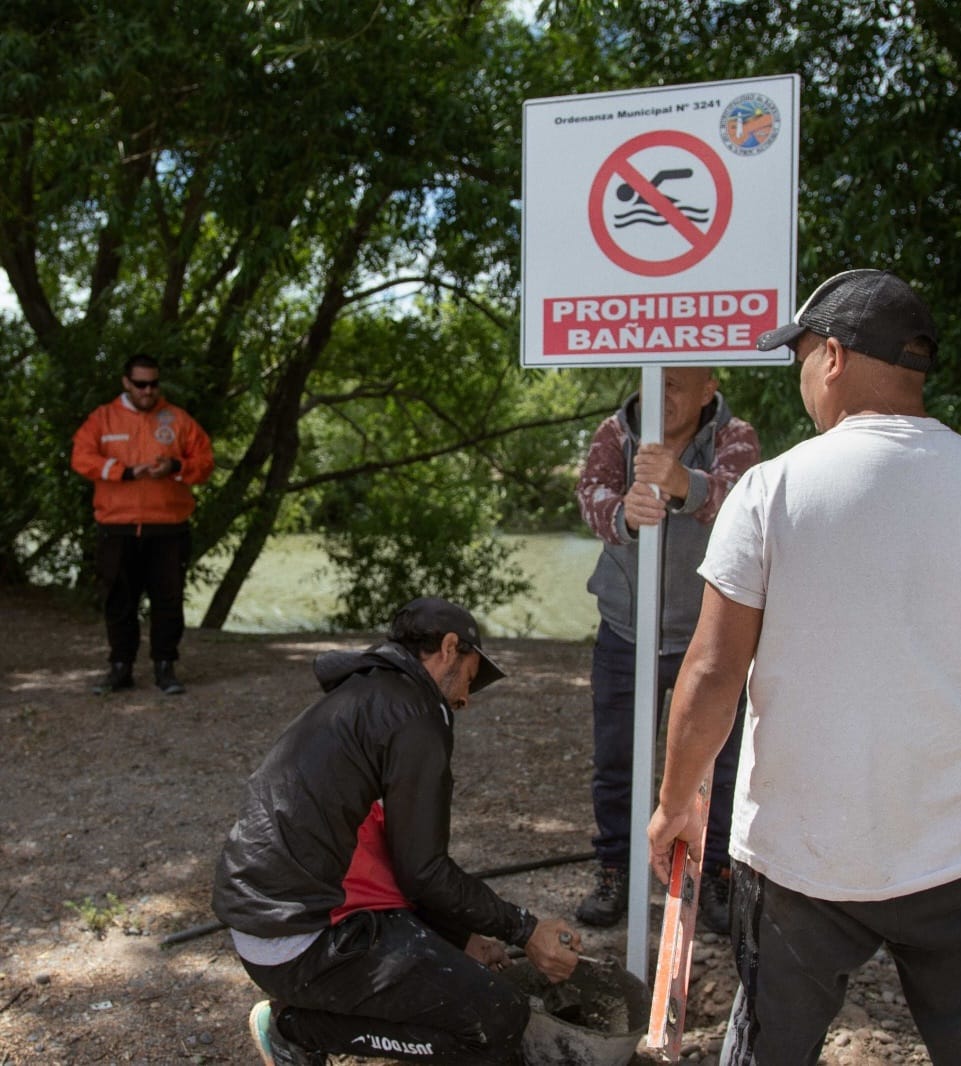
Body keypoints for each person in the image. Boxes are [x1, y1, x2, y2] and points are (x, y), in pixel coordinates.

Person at [647, 269, 961, 1065]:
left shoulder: (772, 492)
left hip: (802, 855)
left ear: (835, 356)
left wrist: (677, 802)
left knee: (771, 1049)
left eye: (803, 354)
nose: (804, 374)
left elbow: (710, 672)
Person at [212, 596, 582, 1066]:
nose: (465, 698)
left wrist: (461, 936)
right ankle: (296, 1030)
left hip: (264, 925)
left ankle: (311, 1013)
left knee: (459, 979)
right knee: (498, 1018)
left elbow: (401, 855)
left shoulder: (368, 693)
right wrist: (526, 928)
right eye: (469, 677)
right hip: (297, 943)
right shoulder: (417, 715)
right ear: (450, 648)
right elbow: (423, 871)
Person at [574, 366, 760, 933]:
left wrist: (683, 483)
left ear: (709, 389)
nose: (664, 393)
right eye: (658, 379)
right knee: (616, 761)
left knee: (719, 762)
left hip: (708, 633)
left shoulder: (736, 436)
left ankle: (716, 875)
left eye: (679, 382)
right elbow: (589, 496)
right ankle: (616, 871)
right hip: (625, 630)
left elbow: (741, 502)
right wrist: (621, 514)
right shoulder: (616, 431)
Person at [70, 355, 214, 695]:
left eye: (154, 384)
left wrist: (176, 466)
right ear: (126, 383)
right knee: (119, 600)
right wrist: (125, 472)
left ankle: (165, 666)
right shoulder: (102, 418)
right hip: (116, 527)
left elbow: (205, 462)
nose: (148, 391)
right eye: (141, 385)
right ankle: (121, 667)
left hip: (168, 527)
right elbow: (81, 458)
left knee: (168, 599)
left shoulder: (177, 419)